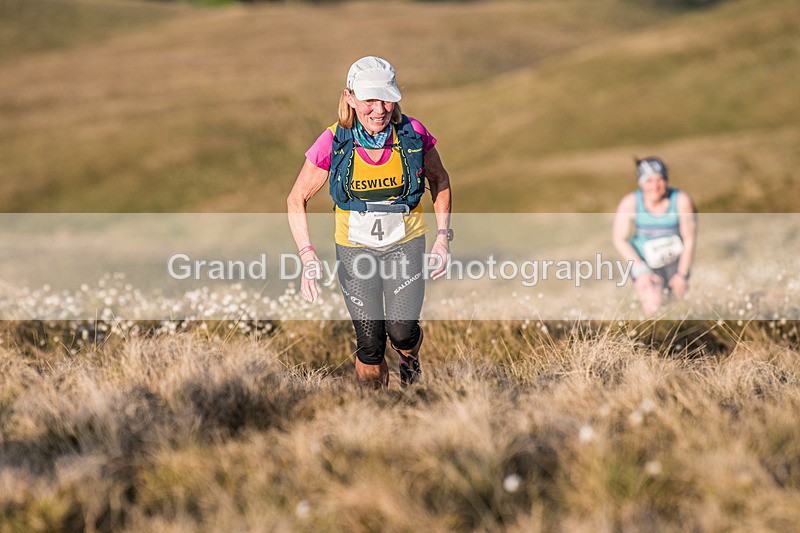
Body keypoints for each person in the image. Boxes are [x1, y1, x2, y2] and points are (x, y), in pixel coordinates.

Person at [287, 56, 452, 388]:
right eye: (369, 100)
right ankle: (376, 411)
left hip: (405, 245)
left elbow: (440, 180)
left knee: (402, 330)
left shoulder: (413, 134)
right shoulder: (334, 142)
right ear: (349, 97)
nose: (380, 109)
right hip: (354, 250)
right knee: (370, 344)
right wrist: (307, 256)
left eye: (387, 99)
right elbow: (296, 198)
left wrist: (443, 238)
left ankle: (409, 360)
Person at [612, 156, 697, 317]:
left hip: (674, 262)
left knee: (676, 308)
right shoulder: (630, 203)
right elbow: (619, 239)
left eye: (660, 180)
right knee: (654, 305)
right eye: (649, 181)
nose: (655, 186)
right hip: (644, 262)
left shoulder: (681, 200)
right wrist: (641, 269)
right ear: (641, 183)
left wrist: (682, 275)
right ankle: (654, 336)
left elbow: (689, 238)